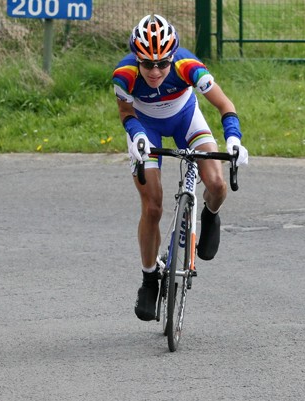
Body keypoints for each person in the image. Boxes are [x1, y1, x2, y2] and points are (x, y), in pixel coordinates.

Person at [112, 14, 249, 321]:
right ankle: (149, 277)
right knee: (152, 207)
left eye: (163, 63)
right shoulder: (123, 75)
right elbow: (126, 112)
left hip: (186, 119)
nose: (156, 71)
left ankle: (210, 214)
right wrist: (136, 137)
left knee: (216, 184)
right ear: (137, 59)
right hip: (146, 128)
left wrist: (234, 140)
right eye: (148, 64)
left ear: (173, 57)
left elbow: (225, 105)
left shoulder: (189, 67)